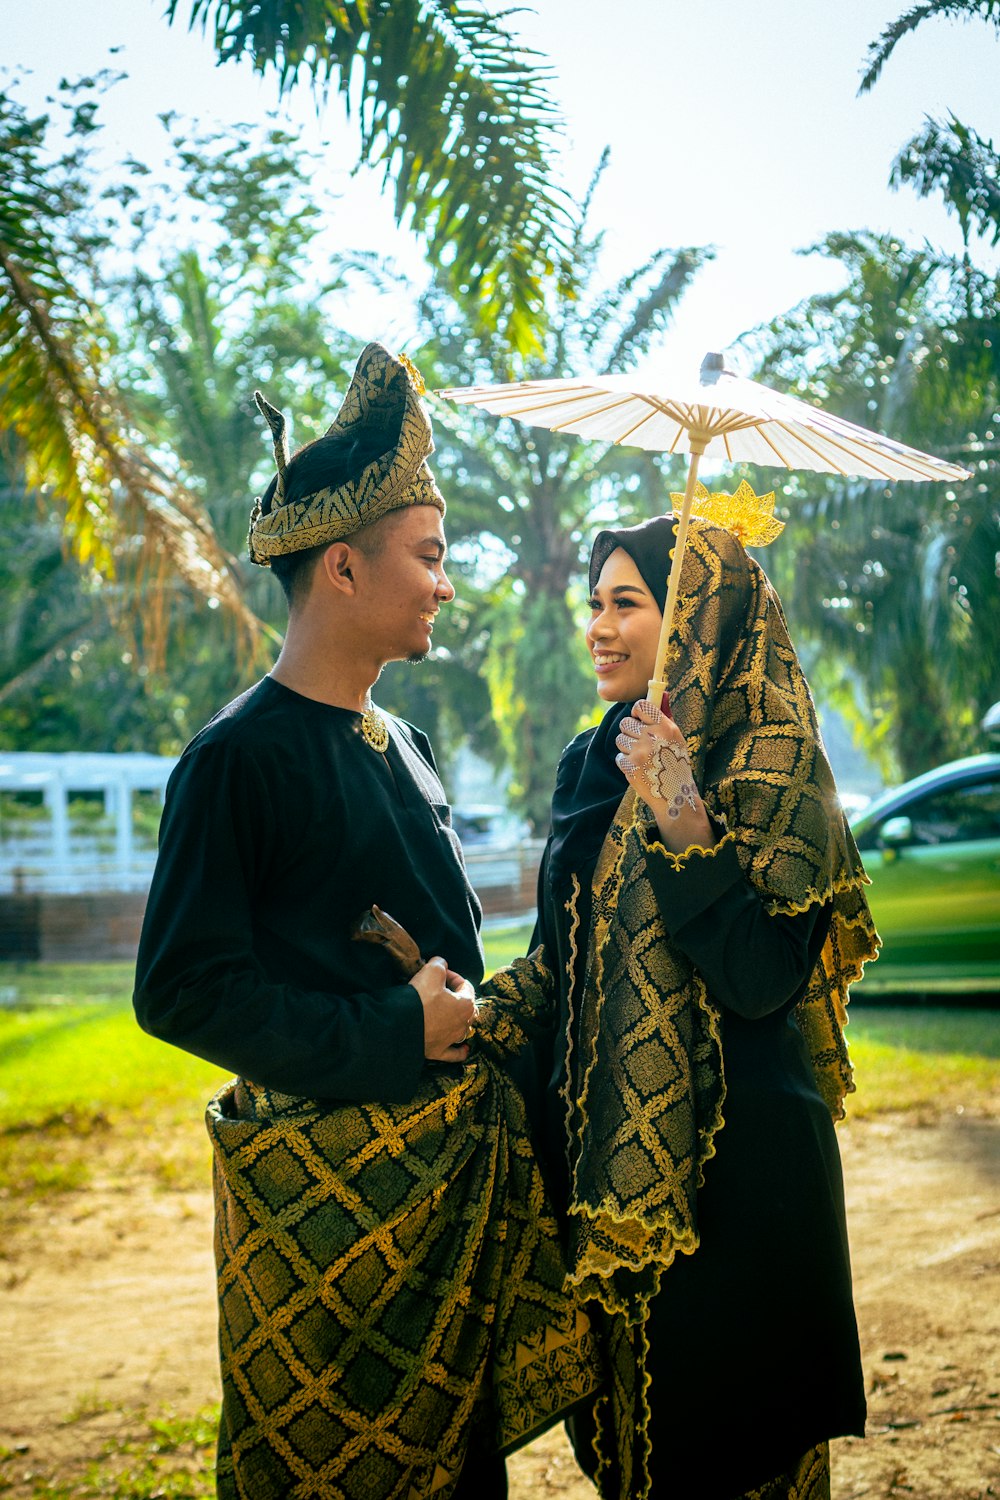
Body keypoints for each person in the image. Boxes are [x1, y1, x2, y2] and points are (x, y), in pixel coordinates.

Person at [133, 343, 600, 1500]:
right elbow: (181, 988)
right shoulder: (235, 760)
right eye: (429, 558)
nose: (445, 583)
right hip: (329, 1248)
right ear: (342, 567)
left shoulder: (413, 749)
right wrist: (393, 1035)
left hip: (447, 1213)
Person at [485, 511, 880, 1500]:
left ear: (696, 621)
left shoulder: (770, 760)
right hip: (606, 1163)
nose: (598, 628)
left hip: (738, 1180)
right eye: (593, 603)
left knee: (734, 1450)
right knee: (631, 1455)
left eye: (628, 603)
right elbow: (560, 954)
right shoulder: (593, 757)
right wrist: (465, 1010)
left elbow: (759, 978)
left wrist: (680, 813)